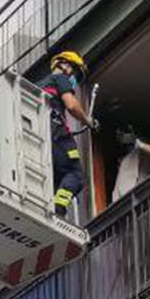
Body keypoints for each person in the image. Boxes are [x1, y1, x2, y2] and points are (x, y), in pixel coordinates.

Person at [43, 50, 91, 219]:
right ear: (64, 65)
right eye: (75, 74)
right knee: (75, 174)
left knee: (56, 178)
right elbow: (71, 106)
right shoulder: (60, 78)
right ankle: (59, 208)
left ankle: (52, 207)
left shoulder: (37, 85)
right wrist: (88, 120)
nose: (74, 80)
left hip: (42, 138)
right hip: (58, 135)